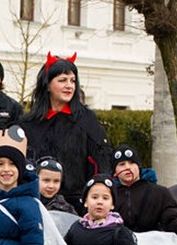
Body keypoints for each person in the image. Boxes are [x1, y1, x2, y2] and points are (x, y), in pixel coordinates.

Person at [21, 53, 113, 211]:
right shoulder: (29, 124)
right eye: (62, 80)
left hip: (77, 204)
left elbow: (101, 162)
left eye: (72, 81)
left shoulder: (86, 120)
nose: (69, 86)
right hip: (37, 202)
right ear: (48, 85)